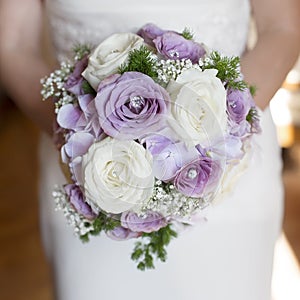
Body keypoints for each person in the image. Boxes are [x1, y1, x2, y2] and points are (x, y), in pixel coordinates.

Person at [0, 0, 300, 299]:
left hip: (230, 178)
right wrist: (83, 133)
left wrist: (215, 133)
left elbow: (282, 28)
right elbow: (12, 44)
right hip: (85, 174)